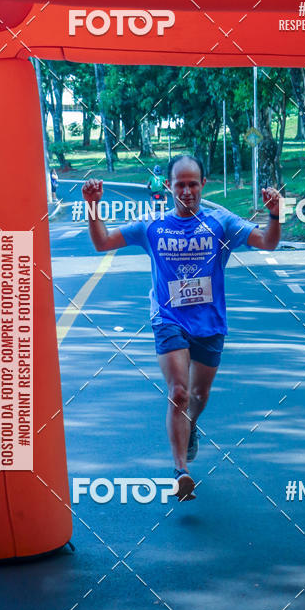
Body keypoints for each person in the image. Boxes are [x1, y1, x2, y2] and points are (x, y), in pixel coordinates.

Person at [83, 154, 283, 500]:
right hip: (168, 319)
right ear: (169, 187)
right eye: (180, 185)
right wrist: (92, 207)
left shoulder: (222, 224)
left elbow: (267, 242)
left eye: (193, 184)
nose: (187, 191)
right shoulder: (152, 227)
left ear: (203, 184)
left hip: (210, 323)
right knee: (178, 391)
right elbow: (102, 243)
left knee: (198, 397)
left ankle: (191, 427)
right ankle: (181, 471)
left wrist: (275, 214)